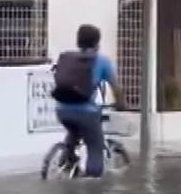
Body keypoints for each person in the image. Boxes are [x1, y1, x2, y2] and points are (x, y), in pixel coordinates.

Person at [52, 24, 126, 178]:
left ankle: (66, 161)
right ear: (97, 43)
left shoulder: (67, 58)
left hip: (62, 110)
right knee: (95, 147)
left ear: (78, 41)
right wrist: (121, 104)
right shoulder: (102, 61)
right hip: (86, 112)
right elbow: (116, 88)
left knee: (74, 132)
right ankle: (92, 187)